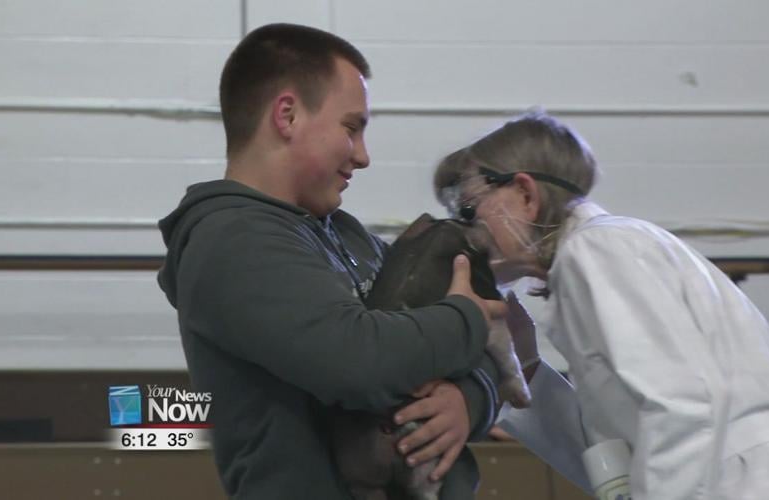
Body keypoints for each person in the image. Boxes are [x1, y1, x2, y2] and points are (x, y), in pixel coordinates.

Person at [156, 23, 507, 499]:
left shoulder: (344, 233)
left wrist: (467, 401)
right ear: (287, 115)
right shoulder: (230, 242)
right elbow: (360, 361)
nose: (362, 156)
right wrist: (468, 320)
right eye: (351, 127)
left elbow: (467, 356)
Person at [434, 111, 769, 499]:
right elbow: (612, 458)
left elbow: (682, 410)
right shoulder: (596, 257)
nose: (471, 232)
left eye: (470, 209)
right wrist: (525, 365)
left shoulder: (597, 249)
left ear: (526, 194)